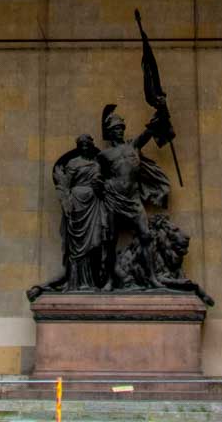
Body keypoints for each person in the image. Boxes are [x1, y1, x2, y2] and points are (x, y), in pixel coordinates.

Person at [98, 100, 171, 289]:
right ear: (110, 132)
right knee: (110, 240)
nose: (120, 131)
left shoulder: (133, 145)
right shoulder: (104, 156)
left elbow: (149, 132)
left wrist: (161, 111)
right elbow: (95, 176)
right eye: (116, 129)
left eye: (121, 128)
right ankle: (110, 279)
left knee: (146, 235)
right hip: (113, 199)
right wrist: (102, 186)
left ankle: (153, 277)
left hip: (133, 199)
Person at [27, 134, 108, 298]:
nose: (85, 147)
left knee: (96, 243)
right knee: (77, 247)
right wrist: (67, 203)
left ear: (91, 146)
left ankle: (91, 281)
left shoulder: (97, 164)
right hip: (77, 205)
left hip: (94, 204)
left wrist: (100, 187)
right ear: (79, 147)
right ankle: (79, 283)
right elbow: (65, 185)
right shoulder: (73, 163)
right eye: (82, 145)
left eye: (87, 144)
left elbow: (104, 184)